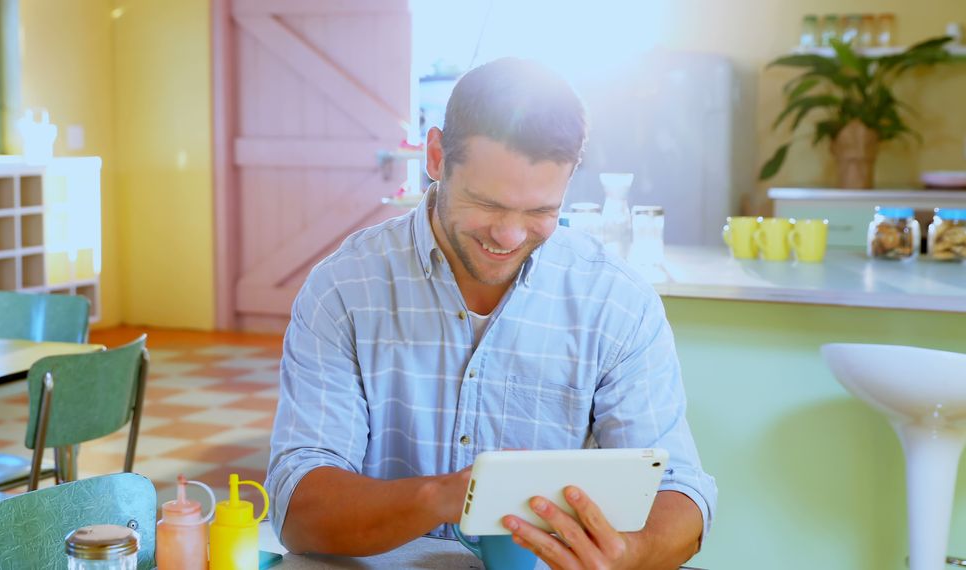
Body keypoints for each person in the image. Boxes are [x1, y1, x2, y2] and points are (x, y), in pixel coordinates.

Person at [265, 57, 717, 569]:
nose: (508, 236)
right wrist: (448, 495)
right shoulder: (343, 290)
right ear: (435, 156)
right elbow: (297, 507)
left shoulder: (618, 304)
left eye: (540, 212)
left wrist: (628, 554)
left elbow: (682, 494)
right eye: (487, 203)